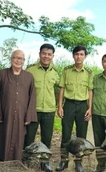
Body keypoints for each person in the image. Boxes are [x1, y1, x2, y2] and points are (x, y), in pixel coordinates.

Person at [0, 50, 37, 161]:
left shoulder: (29, 77)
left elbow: (32, 97)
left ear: (24, 61)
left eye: (21, 58)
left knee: (18, 142)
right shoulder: (2, 74)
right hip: (5, 116)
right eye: (15, 57)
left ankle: (16, 164)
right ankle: (3, 164)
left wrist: (29, 116)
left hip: (21, 116)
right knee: (3, 140)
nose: (18, 60)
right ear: (11, 59)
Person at [56, 45, 94, 172]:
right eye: (76, 54)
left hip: (83, 105)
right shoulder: (66, 70)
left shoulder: (89, 72)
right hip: (69, 105)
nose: (79, 57)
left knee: (81, 136)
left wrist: (90, 108)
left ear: (85, 56)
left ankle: (79, 163)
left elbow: (90, 91)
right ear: (73, 56)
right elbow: (62, 88)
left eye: (81, 54)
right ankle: (64, 161)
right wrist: (60, 106)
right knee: (66, 134)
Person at [24, 43, 60, 172]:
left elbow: (59, 90)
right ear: (39, 54)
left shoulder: (55, 73)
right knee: (28, 137)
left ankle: (44, 163)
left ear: (52, 56)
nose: (46, 56)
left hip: (49, 111)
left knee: (47, 138)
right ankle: (26, 161)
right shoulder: (30, 70)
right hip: (33, 110)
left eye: (49, 54)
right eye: (44, 53)